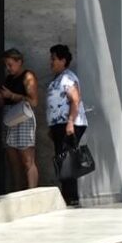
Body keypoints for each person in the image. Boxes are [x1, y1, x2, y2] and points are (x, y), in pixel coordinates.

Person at [45, 44, 89, 207]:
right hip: (59, 125)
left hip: (68, 124)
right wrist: (52, 127)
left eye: (54, 59)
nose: (51, 62)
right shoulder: (58, 78)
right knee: (62, 160)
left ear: (63, 60)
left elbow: (75, 100)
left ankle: (71, 198)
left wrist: (70, 122)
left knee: (66, 161)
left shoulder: (68, 78)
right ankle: (68, 196)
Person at [0, 48, 39, 190]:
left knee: (27, 159)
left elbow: (34, 102)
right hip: (9, 118)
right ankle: (17, 191)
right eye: (6, 65)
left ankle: (32, 191)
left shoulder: (28, 76)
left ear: (19, 62)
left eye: (10, 64)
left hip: (23, 118)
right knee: (13, 160)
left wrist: (12, 95)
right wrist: (0, 97)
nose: (8, 68)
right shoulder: (8, 79)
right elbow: (2, 104)